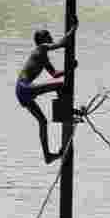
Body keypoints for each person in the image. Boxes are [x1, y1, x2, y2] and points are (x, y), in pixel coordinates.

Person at [16, 19, 78, 164]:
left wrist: (70, 69)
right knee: (60, 85)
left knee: (43, 122)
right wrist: (73, 28)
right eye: (48, 36)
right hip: (24, 87)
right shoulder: (41, 48)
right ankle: (64, 112)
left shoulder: (43, 57)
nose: (51, 38)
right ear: (42, 40)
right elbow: (62, 44)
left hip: (21, 91)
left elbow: (55, 74)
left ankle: (48, 156)